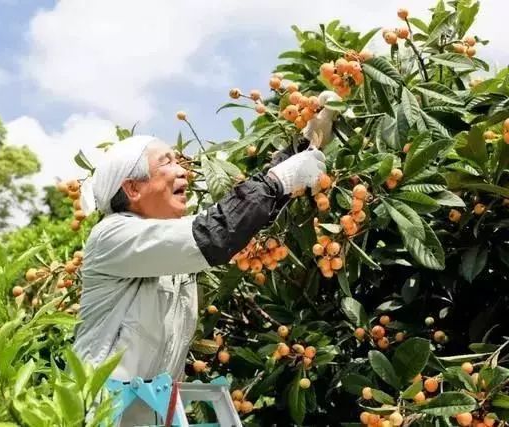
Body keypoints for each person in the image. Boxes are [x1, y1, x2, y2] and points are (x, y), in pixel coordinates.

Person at [73, 91, 341, 425]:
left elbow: (238, 219)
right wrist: (278, 180)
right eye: (166, 163)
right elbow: (217, 233)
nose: (182, 171)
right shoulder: (112, 236)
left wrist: (306, 144)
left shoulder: (169, 241)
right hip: (99, 417)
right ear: (132, 189)